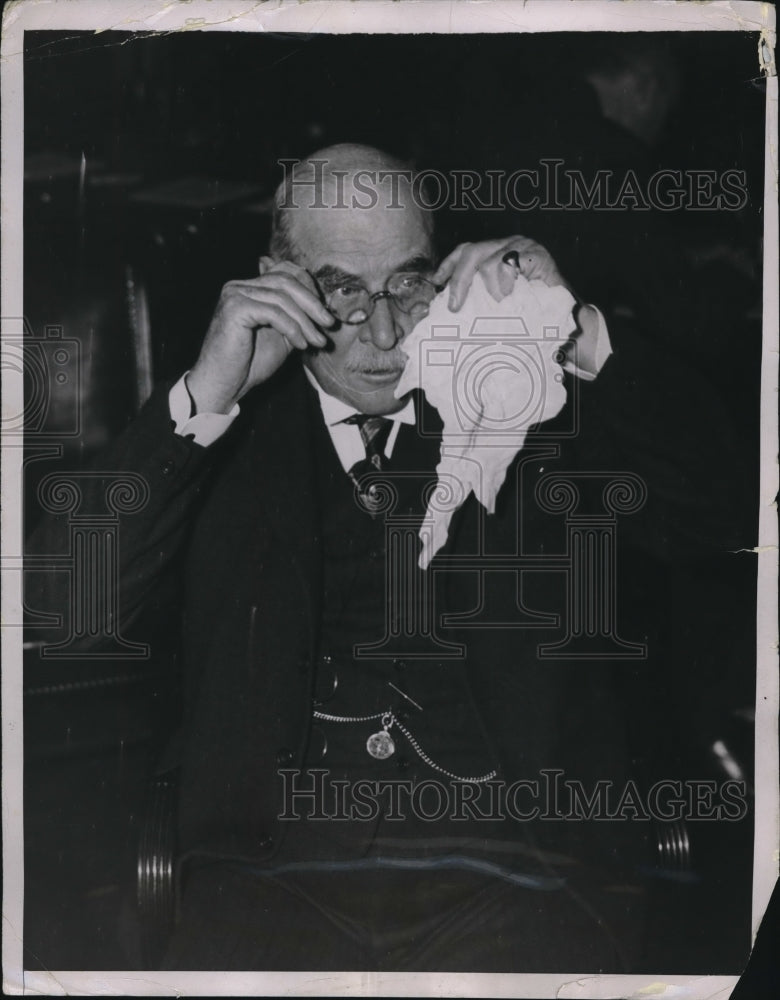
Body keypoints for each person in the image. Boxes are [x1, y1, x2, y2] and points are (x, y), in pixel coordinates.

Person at [26, 143, 744, 972]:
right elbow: (59, 609)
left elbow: (726, 513)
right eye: (342, 289)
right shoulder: (222, 434)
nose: (384, 331)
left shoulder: (524, 405)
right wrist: (205, 396)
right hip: (271, 885)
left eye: (407, 283)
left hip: (521, 876)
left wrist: (575, 331)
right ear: (277, 281)